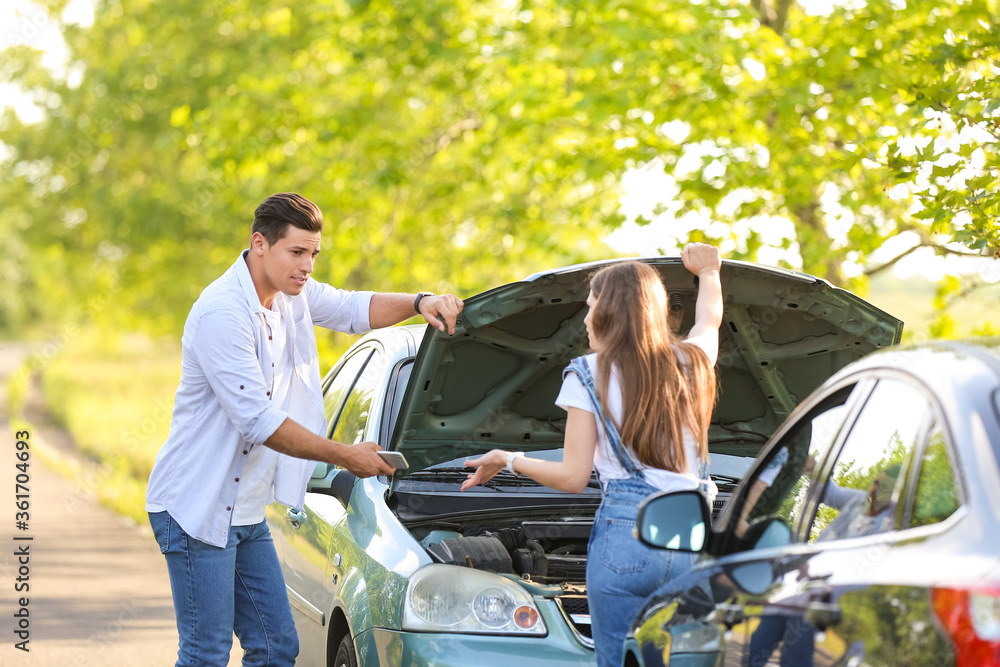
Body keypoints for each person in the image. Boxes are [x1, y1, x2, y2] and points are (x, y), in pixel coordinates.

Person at [145, 192, 464, 667]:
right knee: (205, 653)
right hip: (197, 507)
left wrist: (421, 302)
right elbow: (257, 420)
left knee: (276, 647)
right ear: (259, 245)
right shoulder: (222, 313)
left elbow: (354, 308)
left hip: (245, 511)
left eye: (313, 254)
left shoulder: (291, 294)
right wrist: (345, 454)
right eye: (297, 252)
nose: (308, 266)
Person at [461, 244, 724, 667]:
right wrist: (709, 271)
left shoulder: (589, 373)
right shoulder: (693, 361)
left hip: (627, 540)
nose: (585, 318)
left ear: (610, 312)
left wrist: (508, 458)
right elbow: (709, 319)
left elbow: (572, 478)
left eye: (590, 306)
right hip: (692, 542)